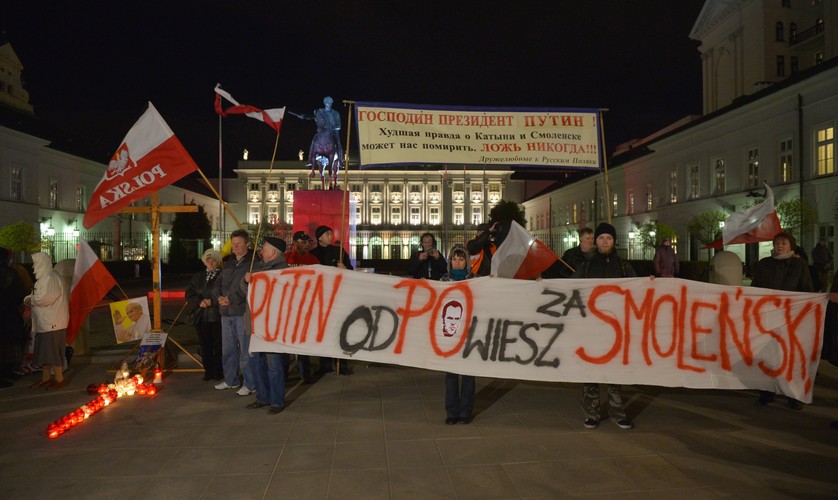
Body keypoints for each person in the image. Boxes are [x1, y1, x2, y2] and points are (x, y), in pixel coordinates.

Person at [572, 223, 635, 430]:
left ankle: (618, 412)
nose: (604, 241)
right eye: (601, 238)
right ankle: (592, 413)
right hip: (592, 326)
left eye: (608, 237)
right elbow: (570, 288)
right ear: (595, 241)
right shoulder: (587, 267)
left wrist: (651, 282)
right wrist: (544, 284)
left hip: (617, 327)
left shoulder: (624, 266)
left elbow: (639, 288)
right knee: (591, 371)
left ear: (614, 241)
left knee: (614, 371)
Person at [751, 231, 814, 410]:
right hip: (768, 317)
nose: (780, 246)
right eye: (778, 242)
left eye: (784, 243)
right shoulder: (764, 264)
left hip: (791, 318)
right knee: (767, 354)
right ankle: (766, 391)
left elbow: (807, 289)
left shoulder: (799, 265)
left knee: (789, 356)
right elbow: (755, 289)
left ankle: (792, 394)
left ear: (791, 246)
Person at [243, 237, 289, 414]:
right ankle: (262, 397)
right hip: (254, 322)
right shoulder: (258, 267)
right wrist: (246, 282)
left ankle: (277, 401)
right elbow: (243, 291)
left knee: (273, 363)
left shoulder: (283, 271)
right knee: (255, 362)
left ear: (274, 252)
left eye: (265, 248)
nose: (261, 251)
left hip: (272, 325)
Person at [213, 229, 256, 396]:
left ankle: (250, 383)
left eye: (239, 243)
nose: (236, 246)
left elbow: (249, 287)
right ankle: (231, 380)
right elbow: (218, 282)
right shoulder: (228, 262)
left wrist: (232, 299)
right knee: (228, 350)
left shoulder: (252, 263)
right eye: (234, 243)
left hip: (241, 312)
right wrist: (218, 297)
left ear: (247, 244)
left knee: (245, 351)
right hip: (225, 312)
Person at [439, 245, 476, 424]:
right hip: (450, 335)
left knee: (468, 375)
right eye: (454, 259)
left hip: (469, 333)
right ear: (450, 261)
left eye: (461, 259)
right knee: (451, 376)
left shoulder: (476, 281)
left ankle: (466, 412)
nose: (458, 262)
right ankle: (452, 412)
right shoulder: (443, 281)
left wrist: (492, 282)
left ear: (466, 262)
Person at [310, 225, 353, 375]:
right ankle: (325, 364)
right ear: (320, 237)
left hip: (338, 296)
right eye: (327, 234)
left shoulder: (339, 252)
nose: (331, 236)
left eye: (330, 233)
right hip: (321, 297)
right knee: (324, 331)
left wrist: (344, 269)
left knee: (341, 330)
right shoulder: (313, 254)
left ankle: (343, 363)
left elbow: (351, 271)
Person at [25, 252, 69, 390]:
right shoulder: (45, 278)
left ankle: (59, 379)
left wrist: (30, 299)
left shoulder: (50, 278)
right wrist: (31, 298)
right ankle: (46, 379)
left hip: (52, 323)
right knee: (44, 353)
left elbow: (45, 298)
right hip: (46, 323)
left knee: (53, 352)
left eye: (34, 263)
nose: (33, 266)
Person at [283, 231, 317, 383]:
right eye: (303, 242)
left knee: (302, 341)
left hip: (304, 306)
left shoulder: (313, 260)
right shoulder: (285, 258)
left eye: (308, 242)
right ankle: (283, 372)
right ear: (295, 242)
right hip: (287, 306)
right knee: (284, 343)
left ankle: (305, 371)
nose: (306, 244)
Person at [185, 249, 223, 381]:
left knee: (219, 346)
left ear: (218, 262)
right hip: (201, 317)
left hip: (217, 316)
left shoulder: (222, 275)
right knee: (205, 345)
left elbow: (225, 292)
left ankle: (219, 371)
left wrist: (212, 302)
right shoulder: (198, 277)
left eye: (213, 260)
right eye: (208, 260)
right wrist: (198, 301)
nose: (211, 262)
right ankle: (208, 371)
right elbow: (189, 293)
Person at [0, 248, 27, 385]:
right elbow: (20, 295)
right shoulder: (11, 274)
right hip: (9, 313)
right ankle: (7, 371)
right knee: (10, 343)